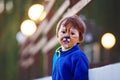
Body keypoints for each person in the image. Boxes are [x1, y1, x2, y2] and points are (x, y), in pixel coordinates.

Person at [52, 15, 89, 80]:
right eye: (63, 32)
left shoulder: (78, 56)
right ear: (57, 35)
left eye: (72, 33)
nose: (66, 36)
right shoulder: (57, 55)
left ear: (79, 38)